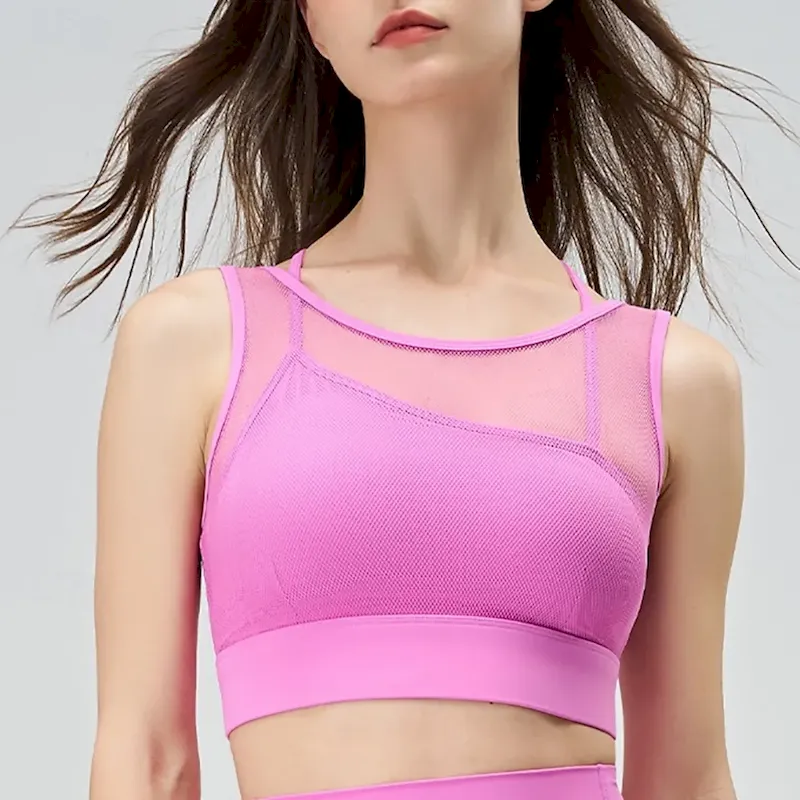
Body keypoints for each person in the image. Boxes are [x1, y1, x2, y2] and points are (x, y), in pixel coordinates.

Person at [13, 1, 797, 799]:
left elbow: (686, 779)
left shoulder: (670, 384)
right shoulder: (198, 344)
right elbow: (147, 761)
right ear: (313, 23)